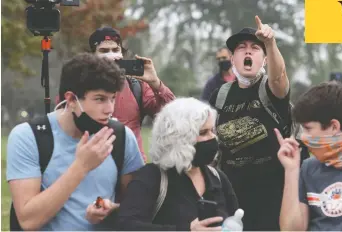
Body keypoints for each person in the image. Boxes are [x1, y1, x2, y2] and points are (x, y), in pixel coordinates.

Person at [6, 53, 144, 231]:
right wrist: (81, 167)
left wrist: (112, 209)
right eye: (100, 99)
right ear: (71, 99)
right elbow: (28, 221)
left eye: (113, 98)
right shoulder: (28, 137)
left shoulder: (121, 137)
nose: (109, 109)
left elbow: (138, 209)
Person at [208, 16, 301, 230]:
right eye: (241, 48)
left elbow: (279, 78)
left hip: (272, 198)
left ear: (265, 60)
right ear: (232, 59)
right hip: (231, 198)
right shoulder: (219, 96)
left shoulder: (271, 91)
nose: (248, 52)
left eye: (255, 48)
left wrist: (270, 43)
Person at [117, 98, 239, 231]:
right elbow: (127, 226)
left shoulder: (218, 177)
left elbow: (235, 218)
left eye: (213, 131)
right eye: (203, 132)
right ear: (178, 138)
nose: (213, 138)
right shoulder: (152, 177)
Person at [277, 82, 342, 231]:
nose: (303, 137)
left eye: (308, 128)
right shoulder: (308, 168)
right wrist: (291, 171)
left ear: (334, 127)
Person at [88, 26, 176, 162]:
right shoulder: (81, 86)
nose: (111, 56)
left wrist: (155, 83)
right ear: (92, 55)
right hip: (95, 165)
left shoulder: (137, 86)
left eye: (115, 50)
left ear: (121, 54)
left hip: (132, 166)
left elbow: (170, 115)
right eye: (104, 51)